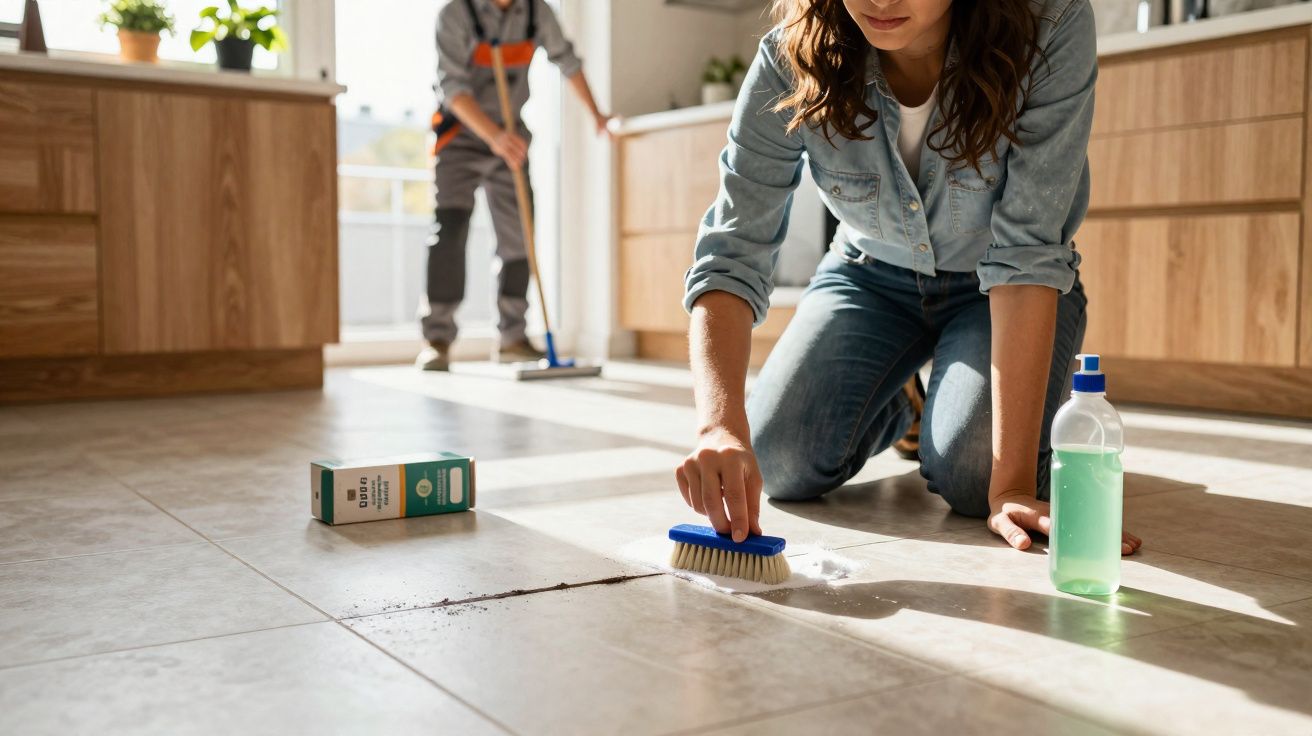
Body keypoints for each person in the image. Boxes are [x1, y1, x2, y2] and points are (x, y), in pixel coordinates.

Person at [675, 0, 1143, 554]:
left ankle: (983, 398)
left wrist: (1012, 486)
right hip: (869, 277)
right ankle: (900, 400)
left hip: (999, 285)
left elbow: (1028, 253)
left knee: (975, 481)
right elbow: (732, 250)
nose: (881, 0)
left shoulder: (1051, 24)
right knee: (779, 458)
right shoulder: (788, 59)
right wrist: (718, 426)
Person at [418, 0, 610, 371]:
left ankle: (513, 337)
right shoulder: (455, 14)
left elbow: (567, 61)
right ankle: (438, 339)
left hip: (511, 140)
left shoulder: (537, 12)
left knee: (519, 235)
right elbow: (451, 86)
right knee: (450, 233)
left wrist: (597, 115)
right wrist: (494, 137)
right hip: (459, 136)